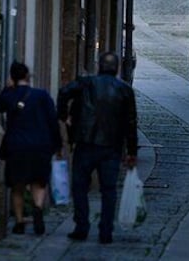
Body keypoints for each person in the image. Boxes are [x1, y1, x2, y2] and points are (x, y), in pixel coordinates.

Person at [57, 51, 138, 244]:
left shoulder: (86, 83)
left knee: (80, 186)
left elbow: (63, 92)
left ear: (99, 66)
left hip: (85, 142)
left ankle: (82, 226)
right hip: (112, 146)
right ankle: (106, 230)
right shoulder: (125, 90)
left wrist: (64, 116)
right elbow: (131, 122)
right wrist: (132, 152)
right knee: (109, 189)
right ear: (117, 68)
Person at [0, 61, 61, 235]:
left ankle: (19, 221)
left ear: (12, 77)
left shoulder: (10, 95)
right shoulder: (42, 95)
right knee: (39, 182)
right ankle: (38, 208)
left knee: (18, 186)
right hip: (40, 145)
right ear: (27, 76)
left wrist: (8, 89)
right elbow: (53, 121)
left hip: (17, 146)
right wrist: (57, 144)